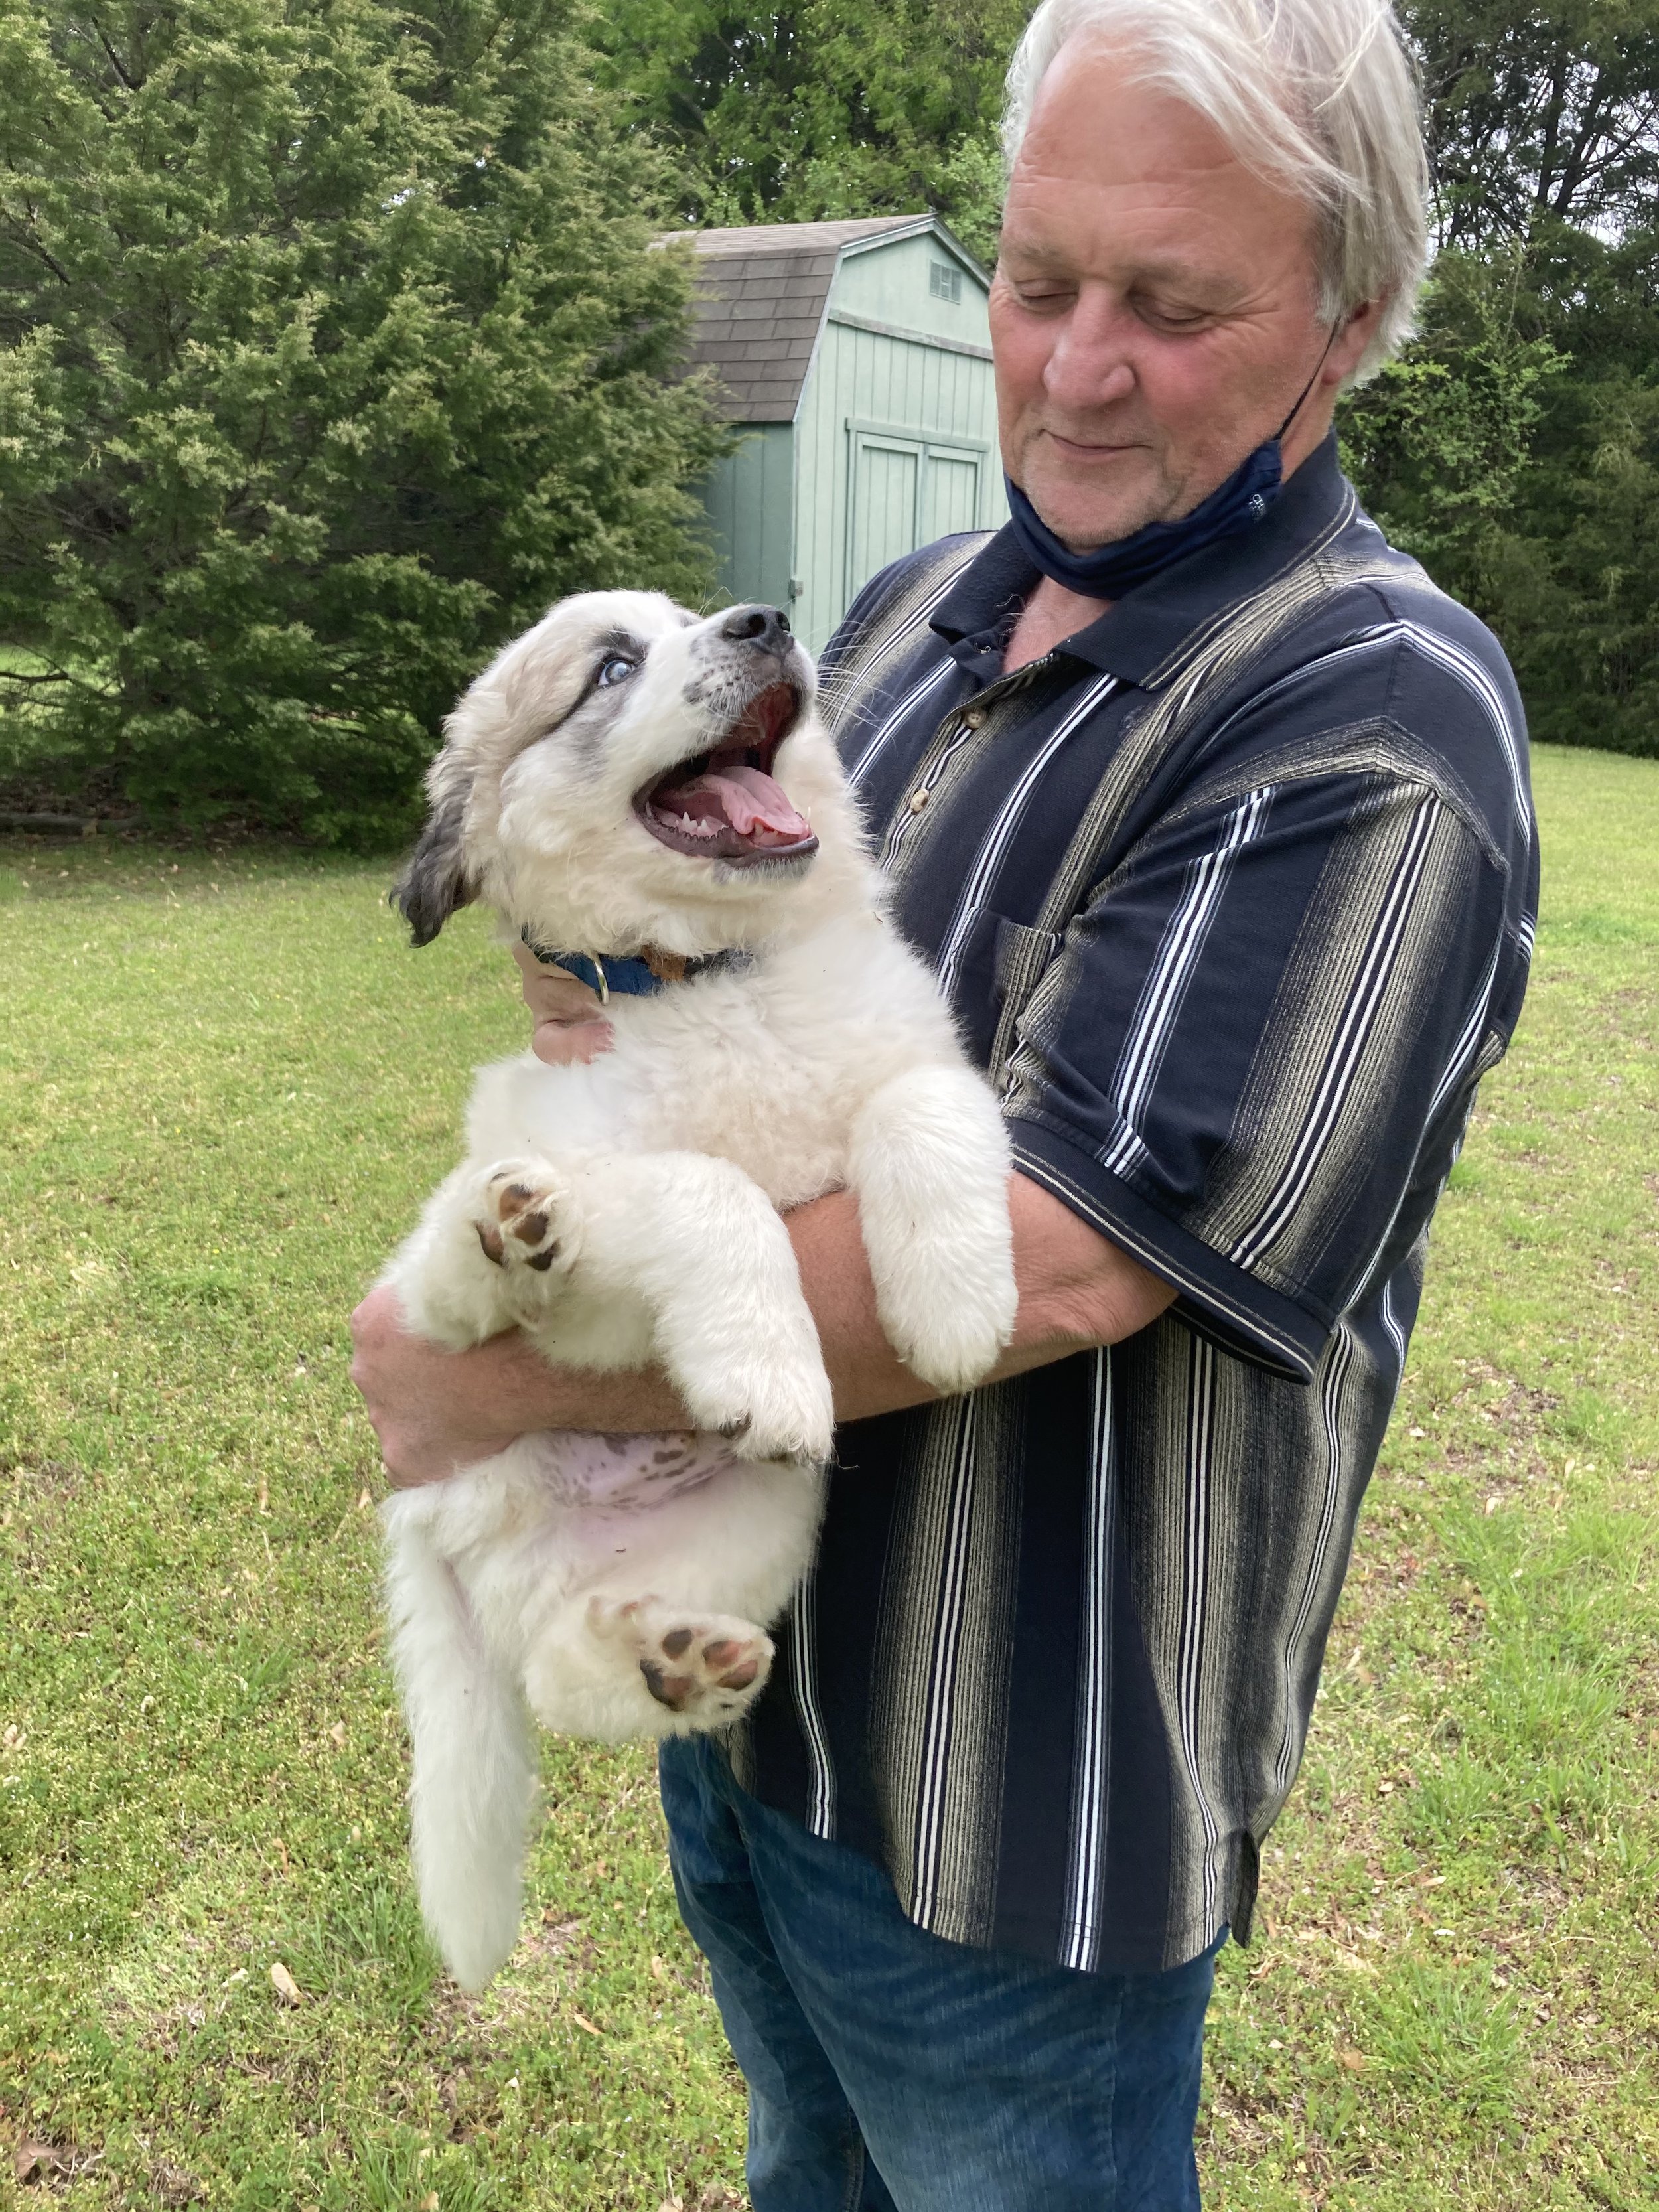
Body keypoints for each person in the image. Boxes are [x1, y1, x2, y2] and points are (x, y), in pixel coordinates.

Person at [350, 0, 1539, 2203]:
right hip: (756, 1698)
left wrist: (477, 1383)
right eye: (1036, 277)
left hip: (1018, 1804)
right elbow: (639, 965)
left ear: (1349, 321)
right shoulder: (906, 618)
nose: (1074, 367)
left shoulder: (1368, 721)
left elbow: (1074, 1261)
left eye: (1172, 307)